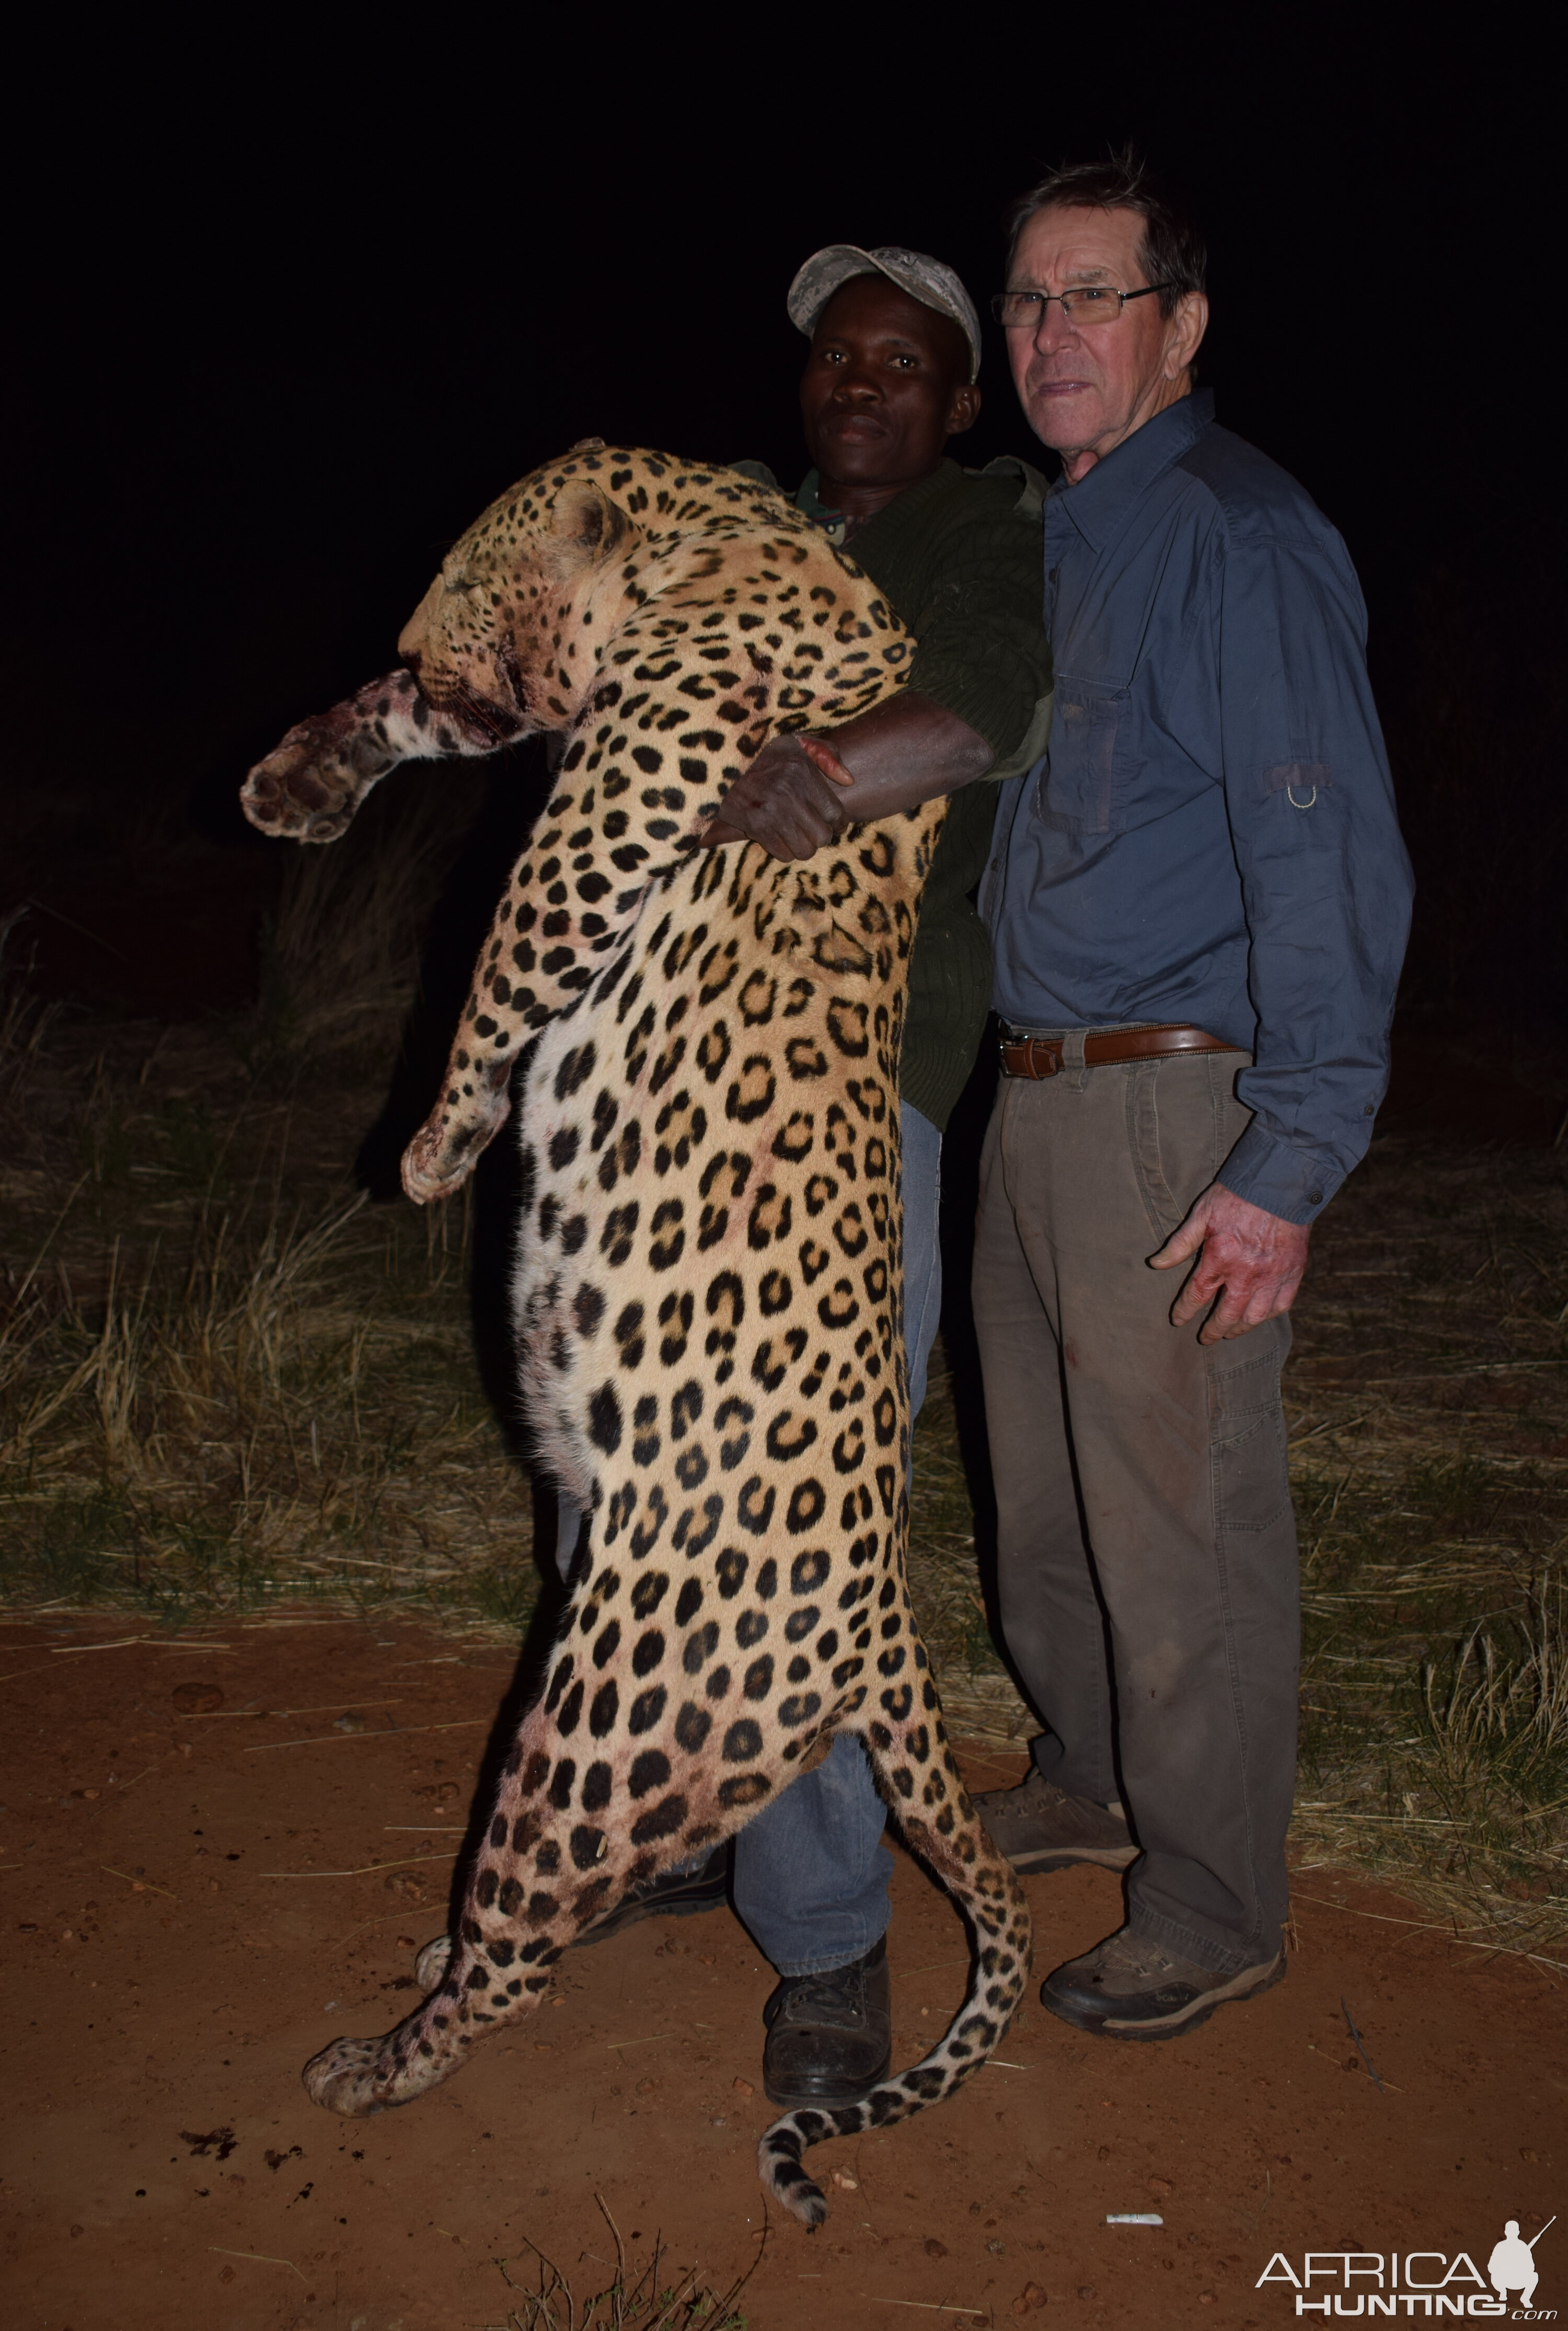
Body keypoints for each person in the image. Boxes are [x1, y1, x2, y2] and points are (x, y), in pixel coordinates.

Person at [556, 245, 1052, 2111]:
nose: (865, 383)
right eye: (839, 356)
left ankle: (832, 1931)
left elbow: (984, 713)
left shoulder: (977, 538)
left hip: (847, 1087)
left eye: (903, 362)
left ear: (957, 397)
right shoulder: (729, 525)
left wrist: (829, 764)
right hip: (657, 1066)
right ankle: (672, 1818)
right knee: (622, 1469)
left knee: (786, 1511)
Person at [967, 153, 1413, 2039]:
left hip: (1173, 1097)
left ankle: (1216, 1891)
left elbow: (1323, 857)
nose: (1054, 333)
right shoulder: (1046, 537)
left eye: (1095, 295)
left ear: (1183, 326)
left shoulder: (1240, 534)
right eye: (1031, 300)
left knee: (1185, 1515)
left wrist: (1291, 1158)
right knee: (1047, 1496)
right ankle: (1089, 1771)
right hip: (1032, 1096)